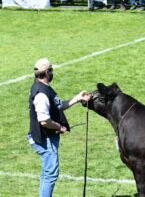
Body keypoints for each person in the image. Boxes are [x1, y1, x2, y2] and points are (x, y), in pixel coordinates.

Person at [27, 58, 91, 197]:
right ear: (47, 72)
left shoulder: (43, 88)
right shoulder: (41, 93)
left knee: (48, 173)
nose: (53, 73)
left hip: (46, 137)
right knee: (50, 174)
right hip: (45, 139)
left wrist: (77, 98)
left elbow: (58, 106)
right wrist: (59, 127)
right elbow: (44, 120)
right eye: (52, 70)